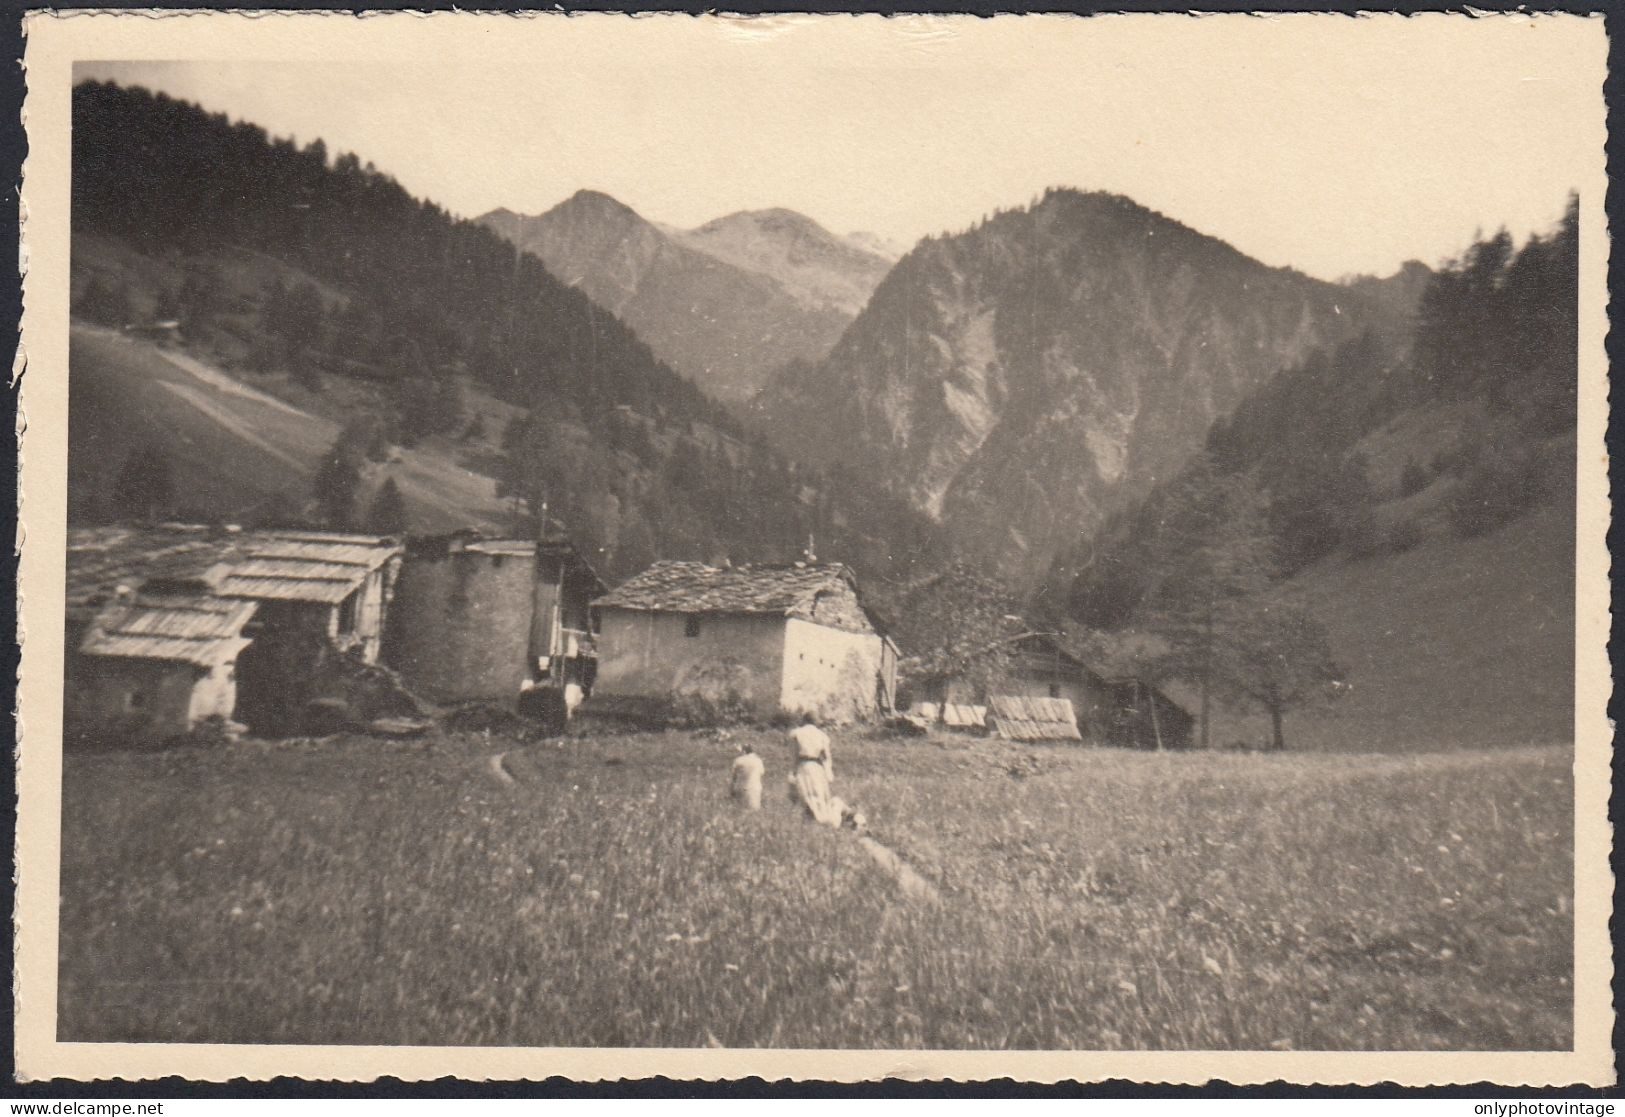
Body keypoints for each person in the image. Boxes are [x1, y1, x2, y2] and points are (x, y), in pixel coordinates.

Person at [787, 714, 849, 827]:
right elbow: (826, 757)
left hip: (803, 766)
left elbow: (794, 756)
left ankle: (812, 821)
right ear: (815, 722)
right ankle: (822, 819)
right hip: (817, 768)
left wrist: (792, 772)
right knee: (819, 795)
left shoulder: (796, 733)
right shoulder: (822, 736)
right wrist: (828, 773)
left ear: (803, 720)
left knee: (805, 795)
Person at [730, 741, 764, 810]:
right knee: (754, 811)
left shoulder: (738, 761)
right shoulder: (758, 760)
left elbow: (734, 777)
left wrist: (731, 789)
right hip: (755, 788)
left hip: (741, 788)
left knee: (741, 811)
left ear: (743, 751)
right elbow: (762, 773)